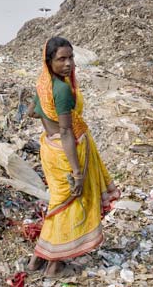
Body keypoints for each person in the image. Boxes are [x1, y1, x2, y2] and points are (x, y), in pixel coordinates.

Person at [26, 36, 120, 278]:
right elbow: (67, 131)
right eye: (61, 59)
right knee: (69, 207)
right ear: (49, 61)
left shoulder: (44, 84)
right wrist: (77, 173)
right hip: (66, 153)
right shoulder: (62, 89)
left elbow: (31, 112)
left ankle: (37, 260)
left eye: (71, 58)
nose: (68, 64)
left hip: (50, 149)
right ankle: (55, 265)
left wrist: (50, 116)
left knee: (58, 204)